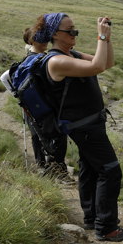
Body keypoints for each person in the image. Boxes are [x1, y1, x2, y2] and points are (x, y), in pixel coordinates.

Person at [33, 12, 123, 242]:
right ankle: (106, 228)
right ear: (56, 34)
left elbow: (107, 63)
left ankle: (91, 217)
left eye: (75, 30)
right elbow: (96, 66)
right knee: (110, 170)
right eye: (71, 31)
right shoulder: (56, 61)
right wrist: (101, 38)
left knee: (89, 166)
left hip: (90, 123)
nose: (75, 34)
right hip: (84, 126)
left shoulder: (71, 54)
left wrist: (108, 37)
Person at [21, 25, 71, 181]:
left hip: (32, 107)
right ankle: (57, 171)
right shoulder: (40, 59)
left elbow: (6, 77)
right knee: (56, 136)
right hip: (46, 107)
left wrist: (19, 96)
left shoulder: (28, 59)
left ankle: (44, 166)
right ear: (32, 40)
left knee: (39, 136)